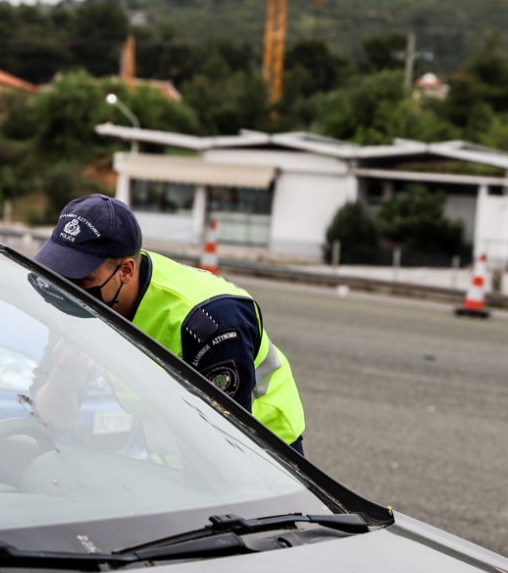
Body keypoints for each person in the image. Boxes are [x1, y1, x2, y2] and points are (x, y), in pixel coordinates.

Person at [32, 194, 307, 455]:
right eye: (59, 272)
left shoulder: (211, 322)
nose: (68, 289)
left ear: (126, 270)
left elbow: (228, 447)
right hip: (174, 458)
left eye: (82, 278)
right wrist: (63, 382)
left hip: (266, 455)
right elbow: (51, 421)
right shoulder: (76, 303)